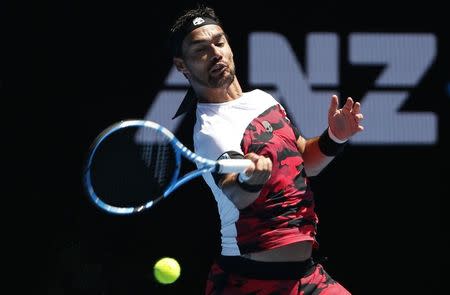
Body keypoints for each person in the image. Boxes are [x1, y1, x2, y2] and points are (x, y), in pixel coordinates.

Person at [168, 5, 363, 295]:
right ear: (183, 66)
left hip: (307, 278)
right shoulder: (211, 130)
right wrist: (250, 180)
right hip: (250, 282)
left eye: (219, 43)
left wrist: (335, 137)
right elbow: (236, 193)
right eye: (200, 51)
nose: (215, 54)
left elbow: (304, 162)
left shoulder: (263, 100)